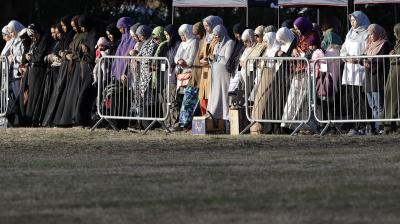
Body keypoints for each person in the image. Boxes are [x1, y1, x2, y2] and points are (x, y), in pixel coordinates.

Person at [340, 11, 370, 136]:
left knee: (361, 100)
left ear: (361, 20)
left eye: (354, 20)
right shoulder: (350, 33)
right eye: (351, 20)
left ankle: (364, 126)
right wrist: (346, 58)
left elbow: (369, 50)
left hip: (361, 71)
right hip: (349, 71)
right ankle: (356, 126)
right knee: (353, 99)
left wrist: (358, 59)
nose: (352, 23)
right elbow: (343, 50)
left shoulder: (367, 33)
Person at [264, 27, 297, 134]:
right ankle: (270, 127)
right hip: (280, 74)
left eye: (282, 38)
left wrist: (282, 54)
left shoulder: (294, 44)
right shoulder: (283, 45)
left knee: (282, 101)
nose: (281, 41)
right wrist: (278, 53)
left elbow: (292, 58)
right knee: (274, 100)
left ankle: (279, 127)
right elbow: (275, 54)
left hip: (288, 75)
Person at [363, 24, 393, 134]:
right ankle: (375, 127)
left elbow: (385, 61)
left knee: (379, 105)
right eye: (369, 34)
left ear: (378, 33)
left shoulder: (385, 44)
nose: (370, 36)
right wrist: (364, 62)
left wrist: (372, 64)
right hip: (368, 79)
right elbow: (364, 57)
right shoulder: (368, 45)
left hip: (378, 78)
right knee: (372, 105)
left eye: (372, 34)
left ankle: (380, 127)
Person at [250, 31, 281, 134]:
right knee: (259, 103)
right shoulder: (268, 50)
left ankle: (261, 127)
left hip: (270, 78)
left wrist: (264, 63)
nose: (265, 44)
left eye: (266, 41)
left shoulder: (276, 50)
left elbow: (273, 65)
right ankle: (255, 127)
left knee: (265, 103)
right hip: (264, 78)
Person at [22, 24, 53, 126]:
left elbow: (39, 56)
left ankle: (34, 119)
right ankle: (29, 118)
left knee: (36, 95)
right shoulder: (36, 41)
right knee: (31, 95)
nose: (32, 38)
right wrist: (28, 56)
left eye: (32, 36)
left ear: (37, 33)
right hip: (33, 69)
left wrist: (31, 57)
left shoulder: (45, 39)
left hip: (39, 70)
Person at [206, 25, 235, 120]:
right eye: (214, 36)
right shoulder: (217, 45)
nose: (216, 38)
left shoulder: (230, 43)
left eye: (217, 36)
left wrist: (215, 57)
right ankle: (214, 115)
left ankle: (225, 117)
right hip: (215, 75)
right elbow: (214, 59)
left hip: (224, 75)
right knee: (215, 95)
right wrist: (211, 59)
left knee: (223, 94)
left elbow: (227, 59)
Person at [174, 24, 199, 129]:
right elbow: (176, 56)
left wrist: (185, 62)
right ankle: (181, 121)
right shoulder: (181, 44)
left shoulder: (194, 42)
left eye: (183, 34)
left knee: (188, 100)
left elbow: (192, 58)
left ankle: (186, 123)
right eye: (180, 35)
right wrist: (178, 61)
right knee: (180, 100)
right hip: (181, 75)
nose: (182, 37)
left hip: (189, 74)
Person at [198, 15, 223, 115]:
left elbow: (217, 55)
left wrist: (208, 60)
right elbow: (200, 54)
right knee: (202, 96)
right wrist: (201, 60)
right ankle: (205, 119)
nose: (205, 28)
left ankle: (212, 120)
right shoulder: (207, 38)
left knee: (211, 95)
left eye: (207, 26)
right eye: (204, 26)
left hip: (212, 71)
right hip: (205, 71)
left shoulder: (218, 38)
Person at [158, 24, 181, 129]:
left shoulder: (177, 45)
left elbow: (172, 61)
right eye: (165, 35)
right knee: (165, 101)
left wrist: (167, 63)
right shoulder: (166, 46)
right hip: (165, 76)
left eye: (168, 35)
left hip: (173, 77)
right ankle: (167, 123)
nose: (167, 37)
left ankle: (175, 122)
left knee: (172, 101)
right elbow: (163, 60)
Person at [383, 23, 400, 134]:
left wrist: (393, 55)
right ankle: (390, 124)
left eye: (395, 32)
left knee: (395, 99)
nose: (394, 34)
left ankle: (395, 124)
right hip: (393, 73)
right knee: (391, 97)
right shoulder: (397, 44)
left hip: (397, 74)